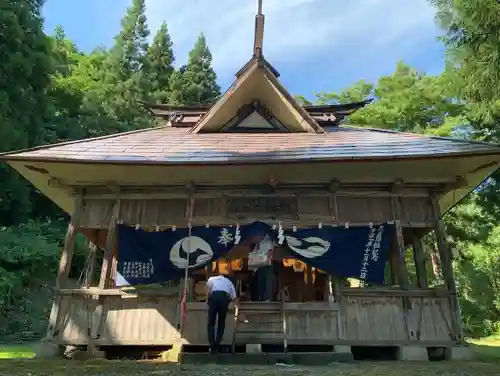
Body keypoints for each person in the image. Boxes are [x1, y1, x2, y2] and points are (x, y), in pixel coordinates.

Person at [205, 273, 237, 354]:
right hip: (224, 298)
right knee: (221, 322)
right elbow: (234, 297)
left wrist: (208, 300)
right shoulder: (228, 281)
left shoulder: (211, 278)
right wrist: (228, 301)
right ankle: (217, 345)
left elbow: (207, 290)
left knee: (211, 323)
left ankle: (212, 346)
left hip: (214, 297)